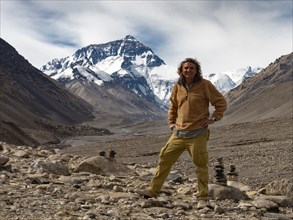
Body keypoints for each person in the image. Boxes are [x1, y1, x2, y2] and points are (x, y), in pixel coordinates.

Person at [138, 57, 227, 209]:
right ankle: (153, 190)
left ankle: (203, 197)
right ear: (181, 70)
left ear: (196, 70)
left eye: (192, 68)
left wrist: (214, 118)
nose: (188, 70)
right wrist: (172, 123)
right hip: (178, 133)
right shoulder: (177, 86)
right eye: (186, 68)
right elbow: (173, 106)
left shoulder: (205, 85)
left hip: (197, 133)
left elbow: (221, 102)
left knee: (201, 165)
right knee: (164, 159)